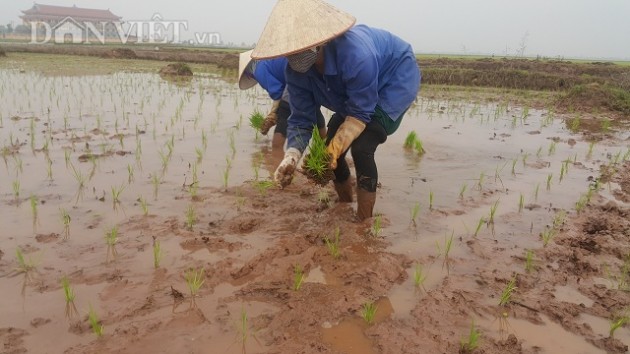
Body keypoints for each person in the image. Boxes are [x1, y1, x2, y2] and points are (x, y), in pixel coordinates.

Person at [251, 0, 421, 221]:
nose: (294, 55)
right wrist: (291, 156)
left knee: (362, 147)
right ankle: (344, 204)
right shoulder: (294, 71)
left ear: (318, 41)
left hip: (393, 79)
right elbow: (302, 118)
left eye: (300, 48)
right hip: (357, 92)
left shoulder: (357, 56)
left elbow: (360, 113)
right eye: (290, 51)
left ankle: (364, 222)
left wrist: (336, 148)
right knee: (328, 147)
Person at [238, 50, 327, 151]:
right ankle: (325, 146)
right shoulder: (267, 61)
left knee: (284, 111)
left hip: (298, 75)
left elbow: (278, 93)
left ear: (248, 73)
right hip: (309, 72)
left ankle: (276, 153)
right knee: (314, 110)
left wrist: (273, 114)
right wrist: (273, 114)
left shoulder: (258, 70)